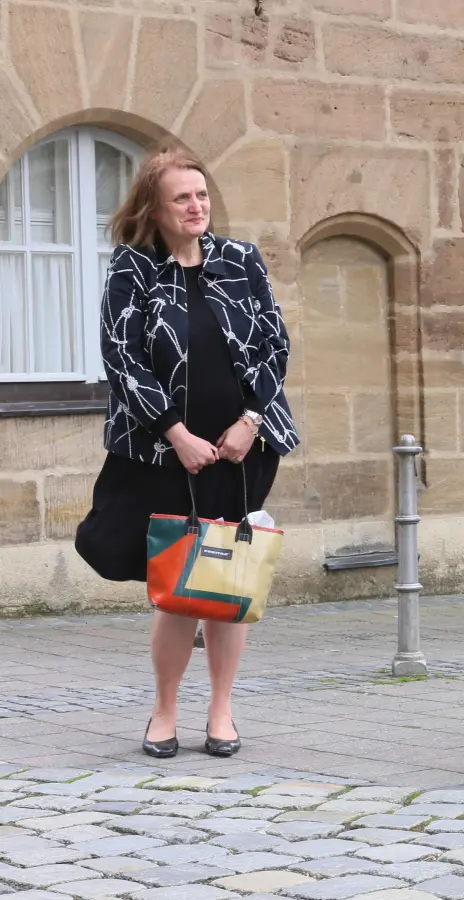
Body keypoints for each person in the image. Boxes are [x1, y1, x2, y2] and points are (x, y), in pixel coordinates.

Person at [74, 144, 298, 759]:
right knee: (176, 589)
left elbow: (273, 346)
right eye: (182, 197)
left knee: (227, 582)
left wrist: (250, 421)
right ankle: (164, 709)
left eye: (201, 195)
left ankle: (222, 711)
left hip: (240, 451)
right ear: (155, 206)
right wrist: (176, 432)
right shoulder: (132, 268)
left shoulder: (239, 260)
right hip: (164, 455)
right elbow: (123, 359)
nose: (196, 206)